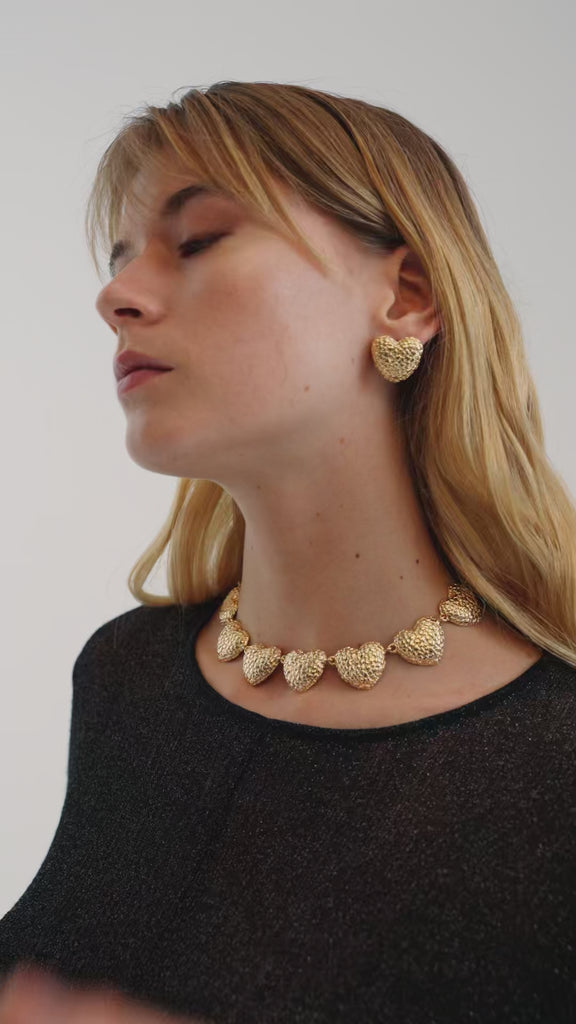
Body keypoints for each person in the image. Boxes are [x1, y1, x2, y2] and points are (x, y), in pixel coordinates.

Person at [0, 80, 575, 1024]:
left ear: (405, 298)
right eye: (119, 259)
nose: (115, 296)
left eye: (198, 240)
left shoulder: (554, 769)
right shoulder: (124, 679)